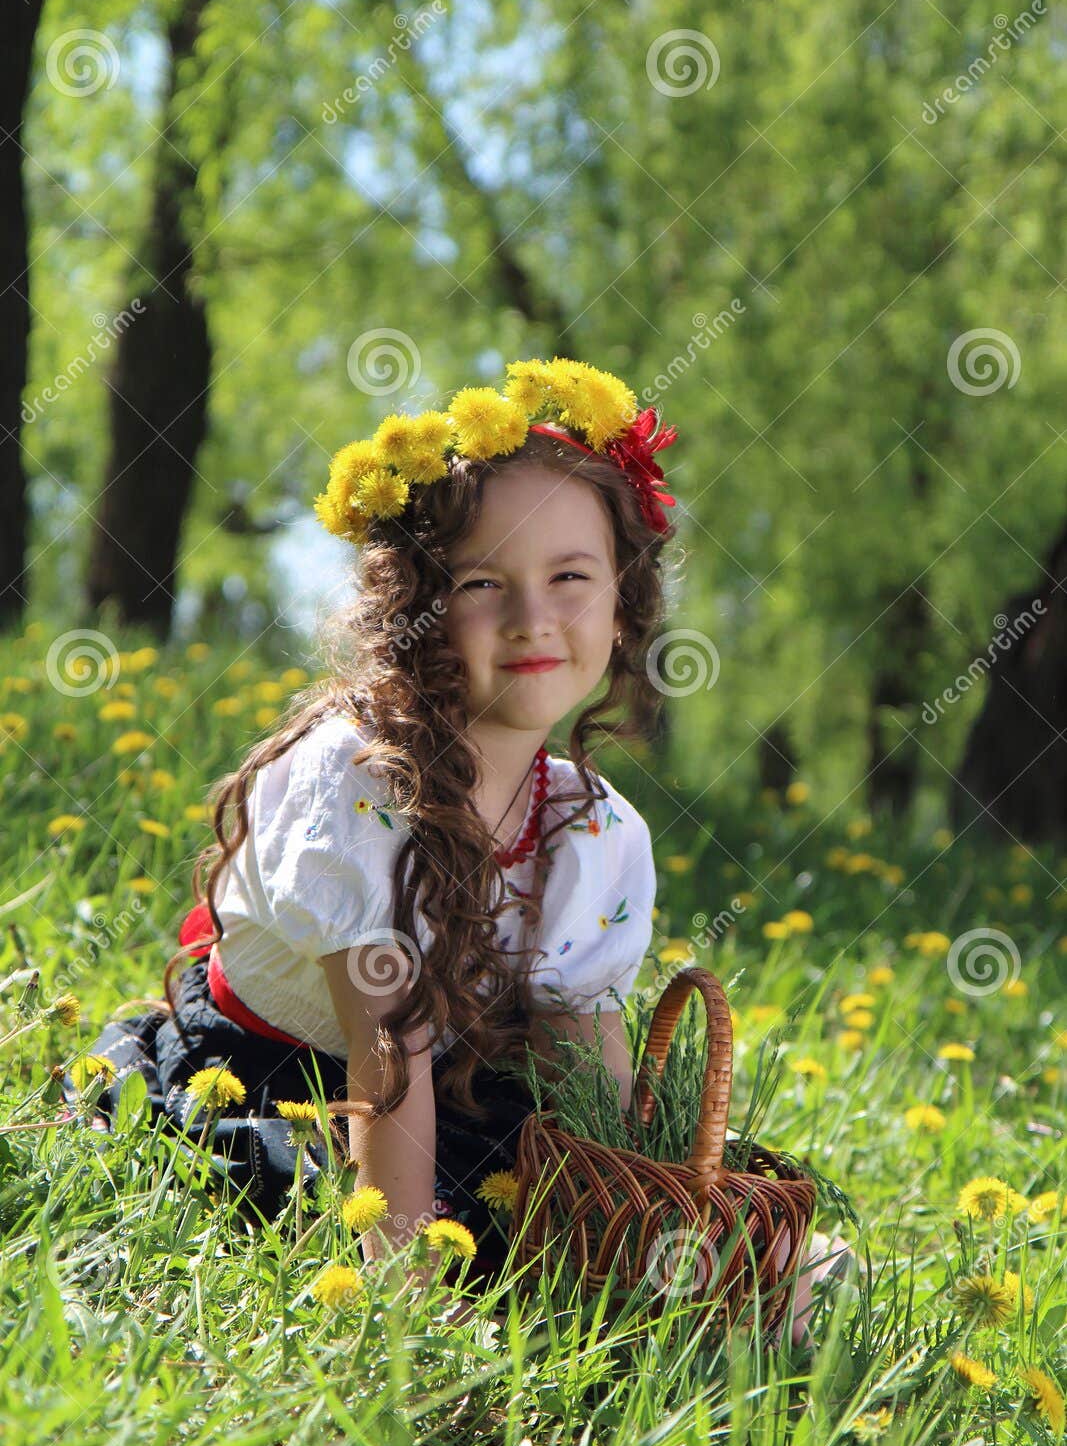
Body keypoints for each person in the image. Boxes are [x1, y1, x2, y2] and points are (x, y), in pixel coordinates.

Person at [62, 355, 853, 1343]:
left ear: (622, 605)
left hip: (461, 1104)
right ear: (417, 612)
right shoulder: (354, 782)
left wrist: (648, 1203)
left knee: (676, 1248)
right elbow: (386, 1059)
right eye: (483, 582)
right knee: (433, 1240)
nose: (532, 619)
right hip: (291, 1090)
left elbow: (581, 1082)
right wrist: (410, 1307)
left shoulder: (591, 828)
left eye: (570, 577)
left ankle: (711, 1301)